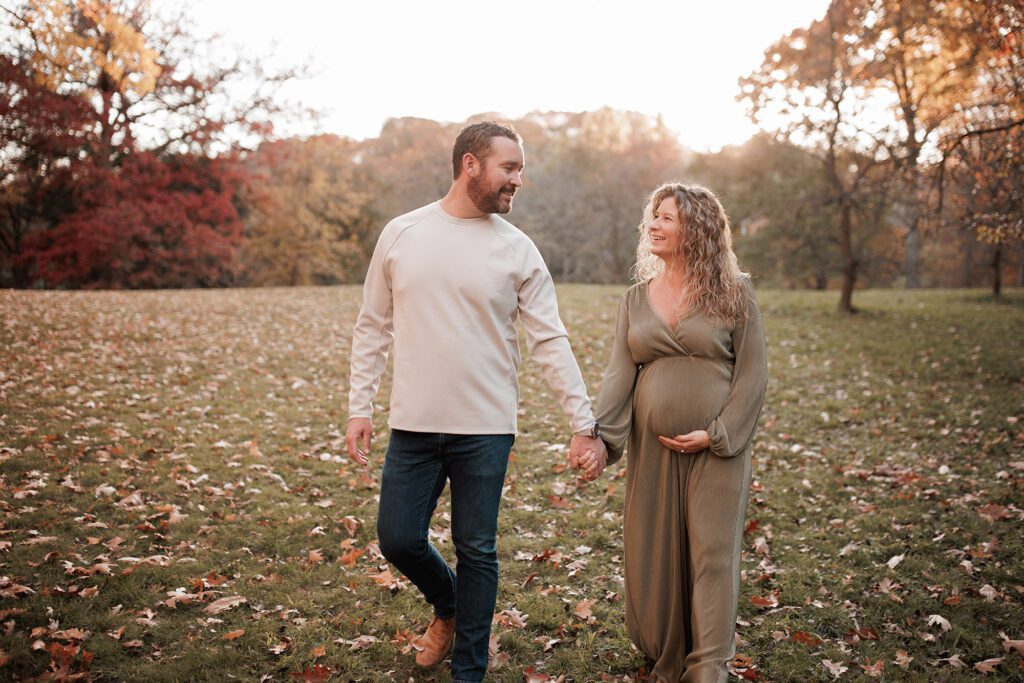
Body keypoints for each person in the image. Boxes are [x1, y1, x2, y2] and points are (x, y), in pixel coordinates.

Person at [345, 121, 608, 683]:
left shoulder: (517, 249)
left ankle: (470, 670)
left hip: (485, 428)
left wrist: (582, 421)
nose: (518, 180)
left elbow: (549, 339)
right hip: (413, 424)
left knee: (478, 550)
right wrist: (358, 406)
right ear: (470, 164)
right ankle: (450, 606)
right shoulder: (402, 233)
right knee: (397, 538)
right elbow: (373, 325)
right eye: (508, 169)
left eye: (519, 170)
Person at [578, 182, 767, 682]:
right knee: (654, 552)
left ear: (698, 229)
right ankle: (668, 649)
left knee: (711, 553)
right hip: (653, 449)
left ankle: (709, 666)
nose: (654, 225)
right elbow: (619, 375)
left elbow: (752, 373)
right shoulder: (635, 299)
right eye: (653, 216)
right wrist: (600, 438)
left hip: (717, 448)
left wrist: (719, 434)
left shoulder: (734, 291)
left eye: (668, 217)